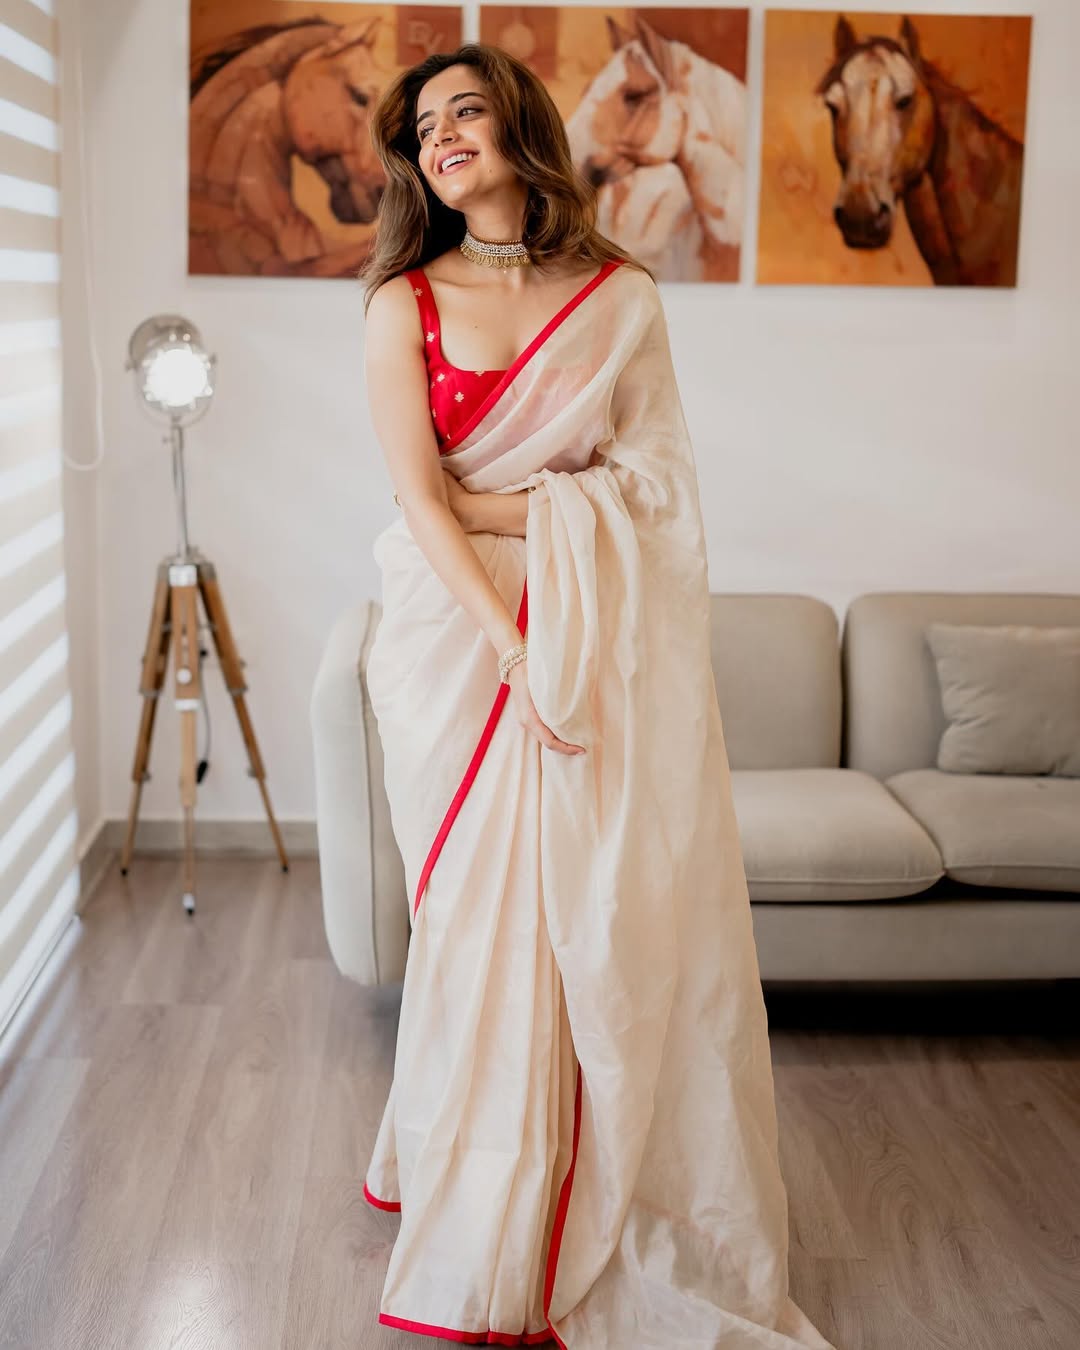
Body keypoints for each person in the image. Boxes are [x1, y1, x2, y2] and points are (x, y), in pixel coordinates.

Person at [357, 41, 837, 1350]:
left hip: (592, 626)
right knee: (476, 925)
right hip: (461, 639)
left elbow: (657, 490)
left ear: (520, 124)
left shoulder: (619, 298)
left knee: (594, 912)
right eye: (422, 127)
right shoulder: (403, 301)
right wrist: (510, 642)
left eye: (465, 111)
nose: (441, 137)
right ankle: (480, 1205)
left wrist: (511, 512)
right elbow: (418, 502)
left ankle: (590, 1185)